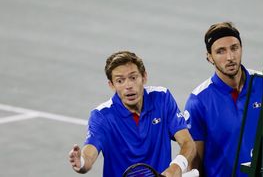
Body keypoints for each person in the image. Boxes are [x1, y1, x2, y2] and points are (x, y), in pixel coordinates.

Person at [68, 51, 196, 177]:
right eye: (120, 81)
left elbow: (187, 142)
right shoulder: (101, 116)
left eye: (133, 78)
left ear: (144, 77)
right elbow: (90, 152)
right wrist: (82, 162)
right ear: (111, 85)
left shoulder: (162, 98)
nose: (128, 85)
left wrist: (177, 166)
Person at [184, 22, 263, 177]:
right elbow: (195, 167)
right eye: (221, 51)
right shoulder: (198, 101)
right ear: (209, 57)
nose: (230, 57)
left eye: (234, 48)